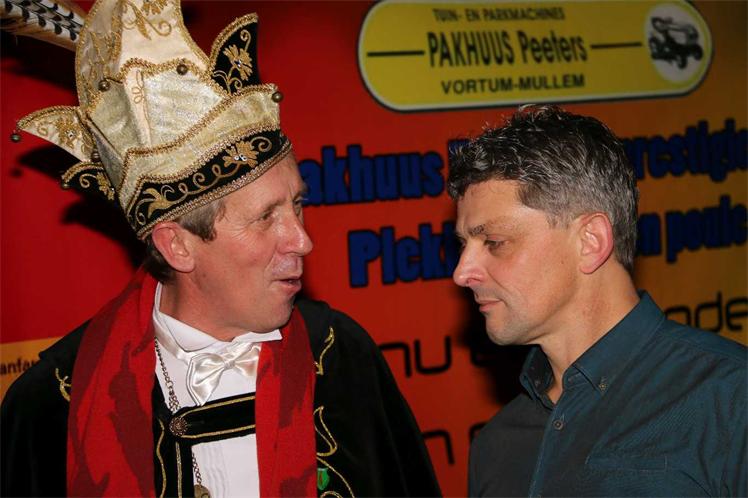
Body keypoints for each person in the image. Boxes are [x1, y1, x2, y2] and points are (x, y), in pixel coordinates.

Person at [0, 1, 441, 497]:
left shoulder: (341, 358)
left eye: (297, 205)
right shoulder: (55, 404)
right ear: (177, 246)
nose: (303, 240)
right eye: (265, 217)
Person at [448, 105, 746, 496]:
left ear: (591, 241)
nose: (462, 272)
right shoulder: (496, 445)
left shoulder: (730, 401)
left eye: (494, 242)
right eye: (463, 244)